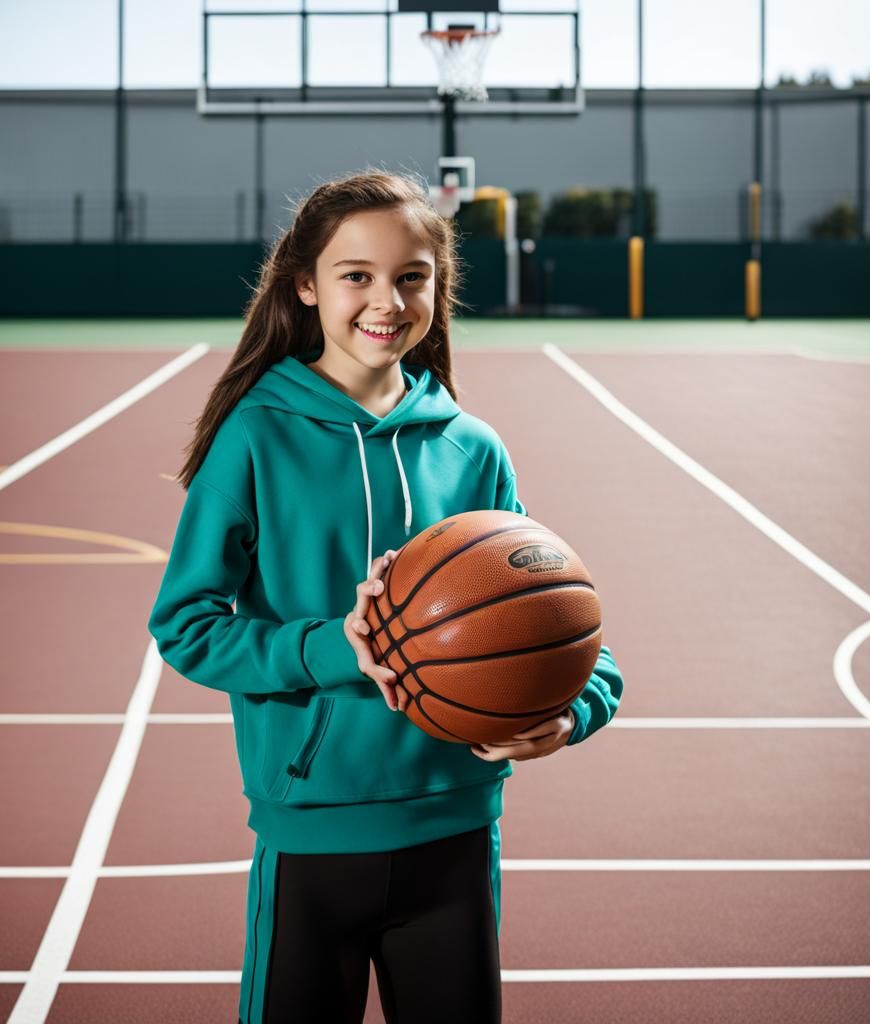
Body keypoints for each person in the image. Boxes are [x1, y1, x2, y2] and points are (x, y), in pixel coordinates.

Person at [147, 168, 624, 1024]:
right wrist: (335, 646)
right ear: (305, 285)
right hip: (313, 829)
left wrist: (572, 710)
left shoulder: (474, 449)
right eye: (356, 276)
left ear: (439, 289)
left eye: (412, 277)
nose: (387, 300)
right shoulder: (256, 435)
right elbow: (185, 626)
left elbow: (558, 615)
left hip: (455, 828)